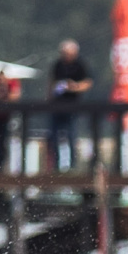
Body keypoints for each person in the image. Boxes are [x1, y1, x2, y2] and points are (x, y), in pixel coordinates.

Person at [47, 40, 93, 172]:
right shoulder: (57, 65)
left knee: (71, 134)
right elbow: (51, 82)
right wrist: (49, 98)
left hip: (72, 105)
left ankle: (72, 165)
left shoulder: (80, 65)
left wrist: (74, 87)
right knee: (54, 136)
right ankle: (55, 165)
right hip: (57, 105)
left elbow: (88, 82)